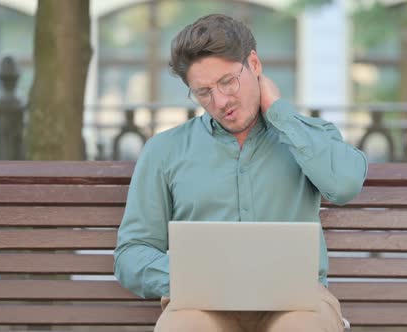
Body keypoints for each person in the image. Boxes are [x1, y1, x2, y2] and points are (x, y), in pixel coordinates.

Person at [114, 13, 368, 332]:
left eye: (227, 82)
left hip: (297, 303)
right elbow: (131, 253)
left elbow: (345, 184)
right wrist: (190, 276)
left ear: (254, 65)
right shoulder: (164, 151)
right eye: (203, 92)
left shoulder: (307, 135)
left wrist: (278, 111)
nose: (220, 101)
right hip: (201, 303)